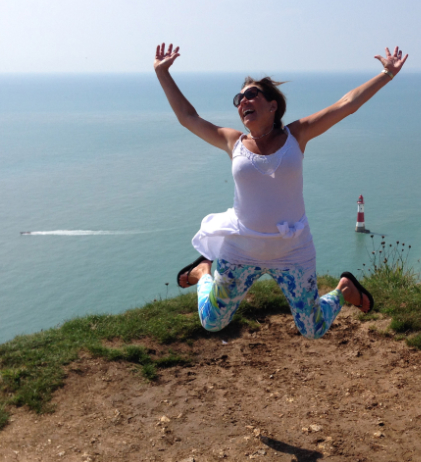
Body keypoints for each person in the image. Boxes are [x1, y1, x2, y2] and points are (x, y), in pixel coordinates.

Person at [153, 43, 408, 339]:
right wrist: (162, 73)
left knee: (312, 329)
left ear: (273, 105)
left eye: (251, 94)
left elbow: (346, 104)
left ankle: (343, 290)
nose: (242, 100)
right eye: (239, 98)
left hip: (291, 249)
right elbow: (188, 117)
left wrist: (386, 74)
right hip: (242, 247)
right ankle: (203, 272)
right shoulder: (231, 141)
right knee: (211, 321)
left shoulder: (296, 136)